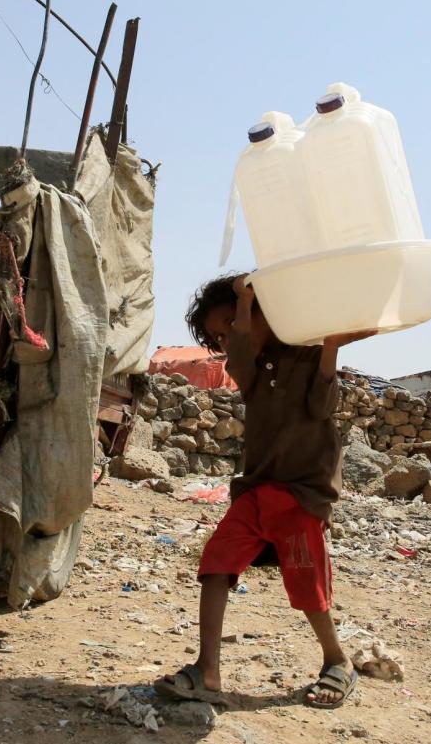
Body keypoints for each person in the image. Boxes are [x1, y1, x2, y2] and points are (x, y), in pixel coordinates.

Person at [155, 274, 372, 710]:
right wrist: (243, 303)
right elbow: (237, 353)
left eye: (231, 323)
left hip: (301, 492)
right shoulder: (250, 371)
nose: (226, 336)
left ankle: (337, 660)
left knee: (306, 581)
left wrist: (330, 348)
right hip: (255, 490)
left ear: (260, 314)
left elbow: (321, 408)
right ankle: (208, 670)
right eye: (219, 334)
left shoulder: (307, 355)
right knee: (215, 562)